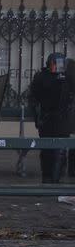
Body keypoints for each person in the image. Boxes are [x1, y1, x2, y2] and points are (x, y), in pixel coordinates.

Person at [28, 53, 73, 184]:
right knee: (47, 151)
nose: (58, 67)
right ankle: (47, 179)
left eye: (61, 64)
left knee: (60, 151)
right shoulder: (41, 77)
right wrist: (37, 118)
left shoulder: (67, 79)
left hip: (62, 120)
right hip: (46, 119)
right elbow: (33, 98)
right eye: (55, 63)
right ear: (49, 64)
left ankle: (56, 179)